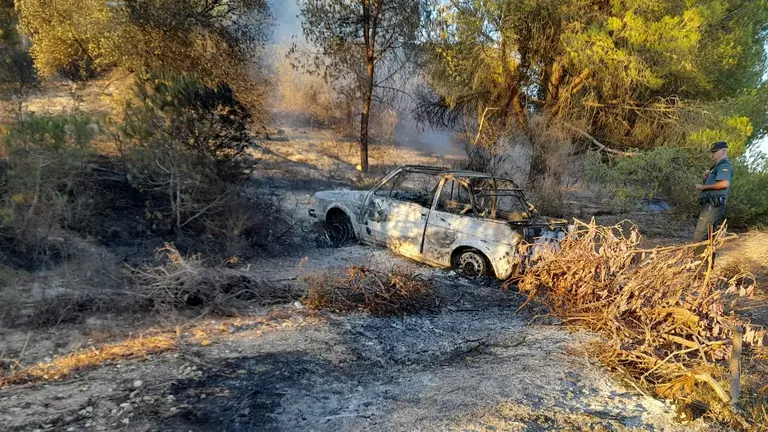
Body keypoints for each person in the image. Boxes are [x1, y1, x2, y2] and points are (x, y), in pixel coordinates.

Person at [693, 141, 733, 258]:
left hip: (713, 205)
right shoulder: (715, 167)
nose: (712, 155)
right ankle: (706, 270)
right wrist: (705, 178)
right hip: (710, 205)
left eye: (714, 152)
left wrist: (703, 187)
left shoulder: (724, 165)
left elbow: (724, 184)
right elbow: (715, 184)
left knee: (700, 236)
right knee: (709, 236)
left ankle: (699, 270)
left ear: (723, 151)